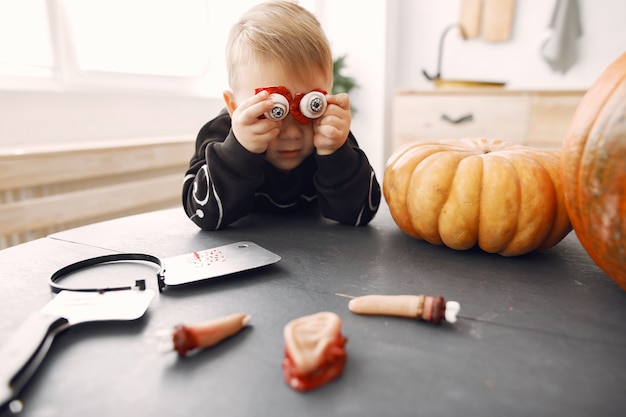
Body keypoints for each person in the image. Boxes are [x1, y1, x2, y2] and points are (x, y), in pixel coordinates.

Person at [182, 1, 380, 230]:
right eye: (272, 111)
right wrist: (240, 150)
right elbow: (202, 216)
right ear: (234, 107)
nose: (292, 132)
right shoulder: (219, 134)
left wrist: (335, 154)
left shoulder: (328, 136)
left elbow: (361, 214)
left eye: (310, 107)